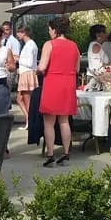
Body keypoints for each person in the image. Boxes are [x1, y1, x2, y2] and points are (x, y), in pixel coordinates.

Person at [38, 17, 79, 167]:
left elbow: (42, 67)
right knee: (64, 121)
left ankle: (50, 154)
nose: (49, 32)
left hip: (53, 83)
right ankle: (66, 153)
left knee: (49, 122)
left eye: (49, 30)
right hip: (68, 83)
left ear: (54, 30)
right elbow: (77, 68)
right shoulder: (74, 45)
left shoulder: (49, 45)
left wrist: (37, 70)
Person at [16, 25, 39, 128]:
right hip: (26, 73)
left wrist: (18, 59)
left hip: (27, 73)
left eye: (19, 32)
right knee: (19, 99)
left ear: (24, 33)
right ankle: (29, 119)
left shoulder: (30, 45)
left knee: (27, 100)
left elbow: (29, 62)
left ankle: (31, 121)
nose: (17, 35)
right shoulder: (29, 44)